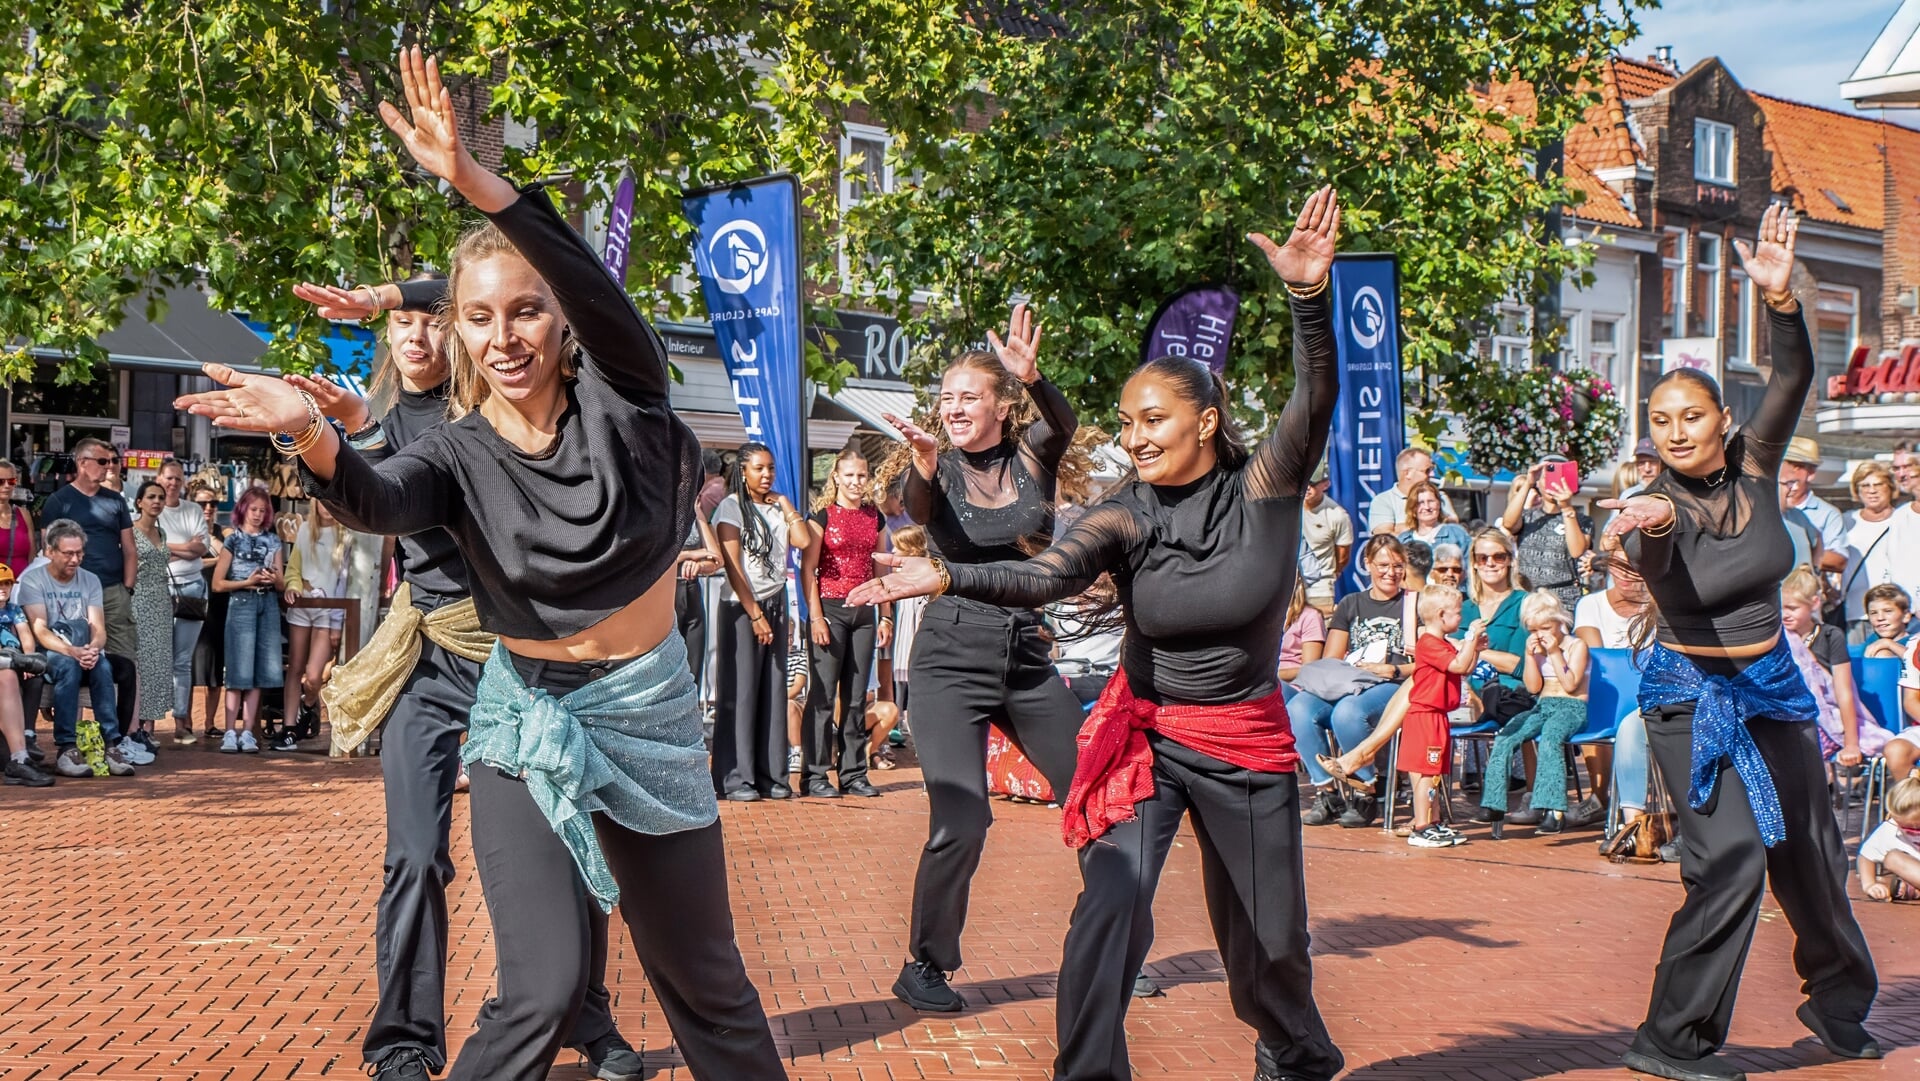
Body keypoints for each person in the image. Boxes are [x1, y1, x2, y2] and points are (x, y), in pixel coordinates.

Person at [182, 48, 784, 1080]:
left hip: (648, 711)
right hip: (525, 712)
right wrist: (311, 434)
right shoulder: (456, 453)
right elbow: (377, 499)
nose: (504, 336)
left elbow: (587, 280)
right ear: (456, 332)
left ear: (563, 320)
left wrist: (474, 182)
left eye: (526, 311)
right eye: (478, 316)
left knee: (707, 981)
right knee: (541, 988)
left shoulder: (629, 400)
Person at [850, 184, 1345, 1081]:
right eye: (1125, 422)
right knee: (1109, 897)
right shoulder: (1126, 512)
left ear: (1207, 420)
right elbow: (1046, 574)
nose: (1135, 437)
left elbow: (1315, 395)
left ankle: (1292, 1047)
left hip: (1245, 741)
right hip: (1146, 736)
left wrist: (1308, 296)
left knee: (1270, 943)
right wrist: (949, 574)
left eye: (1153, 420)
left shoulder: (1266, 489)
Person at [287, 273, 646, 1081]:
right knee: (415, 854)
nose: (415, 336)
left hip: (520, 659)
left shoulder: (497, 408)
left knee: (565, 832)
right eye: (402, 326)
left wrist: (385, 293)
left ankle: (583, 1014)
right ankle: (403, 1042)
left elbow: (522, 275)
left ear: (461, 329)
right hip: (428, 657)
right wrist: (320, 435)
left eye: (431, 320)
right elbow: (372, 500)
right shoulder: (379, 425)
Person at [1602, 204, 1878, 1080]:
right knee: (1730, 859)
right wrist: (1640, 527)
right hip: (1690, 693)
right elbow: (1649, 541)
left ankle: (1837, 1000)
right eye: (1660, 419)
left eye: (1691, 414)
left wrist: (1781, 298)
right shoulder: (1656, 505)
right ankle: (1669, 1039)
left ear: (1723, 418)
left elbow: (1793, 372)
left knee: (1813, 851)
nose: (1676, 430)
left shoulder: (1758, 469)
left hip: (1775, 686)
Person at [868, 299, 1090, 1013]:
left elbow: (1062, 425)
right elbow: (918, 506)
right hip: (950, 656)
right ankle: (925, 966)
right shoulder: (934, 470)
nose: (954, 407)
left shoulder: (1031, 459)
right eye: (947, 398)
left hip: (1024, 653)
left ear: (1001, 405)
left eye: (969, 396)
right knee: (962, 819)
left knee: (1098, 796)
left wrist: (1035, 378)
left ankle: (1110, 939)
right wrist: (924, 464)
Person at [1291, 534, 1414, 829]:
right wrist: (1354, 664)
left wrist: (1393, 669)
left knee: (1347, 712)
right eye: (1383, 565)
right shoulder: (1351, 603)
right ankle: (1327, 793)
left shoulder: (1412, 604)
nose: (1391, 572)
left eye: (1397, 565)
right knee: (1298, 708)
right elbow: (1332, 659)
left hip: (1393, 683)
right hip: (1352, 679)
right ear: (1368, 564)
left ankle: (1365, 790)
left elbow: (1429, 659)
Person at [710, 442, 809, 801]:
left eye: (771, 468)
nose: (767, 475)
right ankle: (736, 778)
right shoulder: (731, 507)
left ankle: (772, 776)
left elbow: (802, 540)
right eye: (759, 469)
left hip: (777, 601)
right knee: (742, 691)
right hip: (742, 606)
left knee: (773, 689)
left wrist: (786, 505)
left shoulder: (778, 507)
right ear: (743, 471)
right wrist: (754, 614)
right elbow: (733, 566)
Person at [800, 446, 892, 798]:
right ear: (836, 477)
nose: (856, 481)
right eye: (849, 475)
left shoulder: (875, 518)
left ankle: (853, 774)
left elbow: (880, 569)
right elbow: (808, 569)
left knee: (856, 698)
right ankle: (814, 775)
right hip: (830, 609)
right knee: (823, 696)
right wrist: (816, 617)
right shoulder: (822, 516)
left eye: (861, 475)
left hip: (865, 613)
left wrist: (886, 616)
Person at [41, 438, 140, 752]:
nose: (109, 467)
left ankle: (125, 737)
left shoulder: (115, 501)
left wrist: (126, 588)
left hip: (112, 591)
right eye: (102, 461)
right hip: (72, 595)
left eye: (111, 461)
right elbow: (47, 551)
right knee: (78, 658)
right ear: (82, 463)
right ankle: (79, 738)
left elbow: (130, 548)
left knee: (124, 662)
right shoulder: (59, 501)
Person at [22, 519, 133, 778]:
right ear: (50, 551)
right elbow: (40, 630)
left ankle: (111, 744)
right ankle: (67, 748)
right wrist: (72, 652)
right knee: (68, 666)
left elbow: (98, 628)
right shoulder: (33, 580)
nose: (75, 559)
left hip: (83, 648)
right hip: (51, 651)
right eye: (68, 553)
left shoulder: (90, 580)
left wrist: (93, 649)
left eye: (79, 553)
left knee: (102, 665)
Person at [1480, 591, 1590, 837]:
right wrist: (1530, 656)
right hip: (1543, 705)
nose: (1539, 635)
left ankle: (1554, 810)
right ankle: (1493, 803)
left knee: (1551, 738)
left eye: (1545, 628)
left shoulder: (1576, 646)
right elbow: (1532, 687)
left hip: (1571, 707)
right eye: (1532, 630)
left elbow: (1571, 684)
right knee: (1506, 735)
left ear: (1560, 621)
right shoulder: (1538, 650)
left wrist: (1555, 653)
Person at [1399, 584, 1485, 848]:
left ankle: (1433, 821)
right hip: (1425, 716)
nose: (1461, 617)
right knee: (1427, 774)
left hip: (1436, 716)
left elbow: (1464, 668)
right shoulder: (1428, 643)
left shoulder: (1441, 643)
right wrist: (1471, 637)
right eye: (1457, 613)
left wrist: (1475, 649)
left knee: (1434, 774)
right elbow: (1458, 665)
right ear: (1440, 615)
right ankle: (1422, 826)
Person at [1780, 567, 1877, 765]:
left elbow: (1843, 692)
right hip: (1789, 716)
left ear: (1814, 603)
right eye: (1780, 608)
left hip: (1827, 717)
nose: (1785, 614)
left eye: (1792, 608)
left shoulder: (1831, 636)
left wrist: (1851, 744)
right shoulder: (1778, 638)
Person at [212, 487, 282, 754]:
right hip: (241, 602)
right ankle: (230, 730)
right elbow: (218, 583)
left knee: (260, 670)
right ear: (243, 509)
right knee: (238, 669)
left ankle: (248, 731)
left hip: (267, 602)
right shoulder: (232, 540)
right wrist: (246, 582)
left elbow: (282, 583)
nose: (258, 515)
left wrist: (274, 578)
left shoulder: (273, 540)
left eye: (262, 510)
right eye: (254, 509)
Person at [280, 503, 355, 748]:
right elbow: (294, 569)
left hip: (328, 610)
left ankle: (309, 704)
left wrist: (337, 621)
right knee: (295, 667)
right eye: (320, 501)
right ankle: (289, 727)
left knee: (314, 675)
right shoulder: (305, 530)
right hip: (303, 606)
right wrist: (293, 586)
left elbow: (344, 580)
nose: (325, 506)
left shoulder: (345, 534)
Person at [156, 460, 209, 744]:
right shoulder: (152, 510)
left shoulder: (193, 510)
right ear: (158, 479)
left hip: (191, 589)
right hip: (159, 589)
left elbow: (201, 548)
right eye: (168, 478)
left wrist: (168, 547)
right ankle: (149, 725)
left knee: (182, 660)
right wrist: (186, 547)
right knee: (156, 657)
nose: (173, 483)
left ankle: (180, 723)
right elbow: (150, 548)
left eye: (178, 478)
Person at [1501, 460, 1592, 613]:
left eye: (1560, 479)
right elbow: (1508, 523)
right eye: (1547, 478)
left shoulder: (1581, 520)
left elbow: (1577, 551)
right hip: (1528, 597)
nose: (1554, 484)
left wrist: (1566, 507)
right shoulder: (1528, 517)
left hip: (1563, 600)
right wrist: (1528, 482)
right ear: (1539, 483)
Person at [128, 482, 176, 746]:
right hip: (138, 601)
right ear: (139, 502)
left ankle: (149, 727)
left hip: (162, 604)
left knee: (159, 664)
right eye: (151, 497)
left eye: (160, 497)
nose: (156, 501)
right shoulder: (130, 532)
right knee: (141, 663)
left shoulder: (162, 532)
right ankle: (134, 725)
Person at [1841, 462, 1906, 644]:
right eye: (1865, 485)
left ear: (1890, 487)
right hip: (1856, 612)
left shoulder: (1904, 520)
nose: (1872, 491)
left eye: (1878, 484)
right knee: (1859, 659)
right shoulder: (1846, 521)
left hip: (1898, 614)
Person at [0, 566, 53, 787]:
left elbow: (25, 634)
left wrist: (29, 658)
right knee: (8, 674)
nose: (3, 588)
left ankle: (25, 743)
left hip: (12, 660)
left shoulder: (13, 610)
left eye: (6, 584)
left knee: (31, 676)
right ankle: (19, 757)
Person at [188, 481, 230, 739]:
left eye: (213, 503)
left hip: (219, 603)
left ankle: (210, 723)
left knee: (215, 666)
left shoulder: (224, 532)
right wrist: (218, 559)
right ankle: (184, 722)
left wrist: (210, 542)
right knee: (188, 665)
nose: (208, 508)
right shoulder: (186, 531)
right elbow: (186, 561)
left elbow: (230, 556)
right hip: (191, 602)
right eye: (202, 503)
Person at [1779, 437, 1845, 574]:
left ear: (1811, 473)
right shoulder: (1762, 510)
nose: (1788, 469)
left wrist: (1804, 553)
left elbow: (1839, 561)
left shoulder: (1826, 514)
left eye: (1797, 466)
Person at [1298, 462, 1352, 615]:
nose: (1308, 487)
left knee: (1319, 627)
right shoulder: (1288, 507)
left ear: (1326, 484)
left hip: (1320, 588)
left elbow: (1343, 556)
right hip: (1289, 585)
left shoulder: (1337, 515)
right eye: (1304, 481)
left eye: (1313, 483)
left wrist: (1331, 574)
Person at [1857, 771, 1920, 901]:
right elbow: (1866, 855)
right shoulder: (1890, 829)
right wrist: (1869, 885)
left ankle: (1912, 887)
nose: (1913, 831)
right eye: (1906, 827)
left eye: (1917, 827)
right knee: (1893, 858)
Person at [1367, 446, 1457, 535]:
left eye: (1432, 469)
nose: (1432, 474)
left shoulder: (1439, 496)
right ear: (1407, 473)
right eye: (1427, 470)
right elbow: (1385, 537)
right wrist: (1430, 523)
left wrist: (1400, 527)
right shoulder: (1383, 500)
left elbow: (1453, 528)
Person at [1397, 479, 1469, 556]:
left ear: (1439, 504)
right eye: (1420, 503)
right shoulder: (1403, 540)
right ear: (1412, 507)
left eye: (1431, 501)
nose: (1427, 507)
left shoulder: (1457, 534)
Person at [1277, 578, 1326, 683]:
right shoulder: (1263, 615)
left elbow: (1310, 669)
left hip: (1293, 684)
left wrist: (1276, 675)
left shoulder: (1310, 616)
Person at [0, 459, 36, 578]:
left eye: (11, 481)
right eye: (1, 481)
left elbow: (32, 555)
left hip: (22, 583)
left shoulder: (24, 514)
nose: (7, 486)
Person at [1861, 584, 1912, 660]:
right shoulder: (1872, 639)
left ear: (1905, 616)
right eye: (1874, 613)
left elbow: (1915, 659)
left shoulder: (1914, 642)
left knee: (1883, 654)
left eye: (1888, 611)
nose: (1880, 618)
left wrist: (1888, 644)